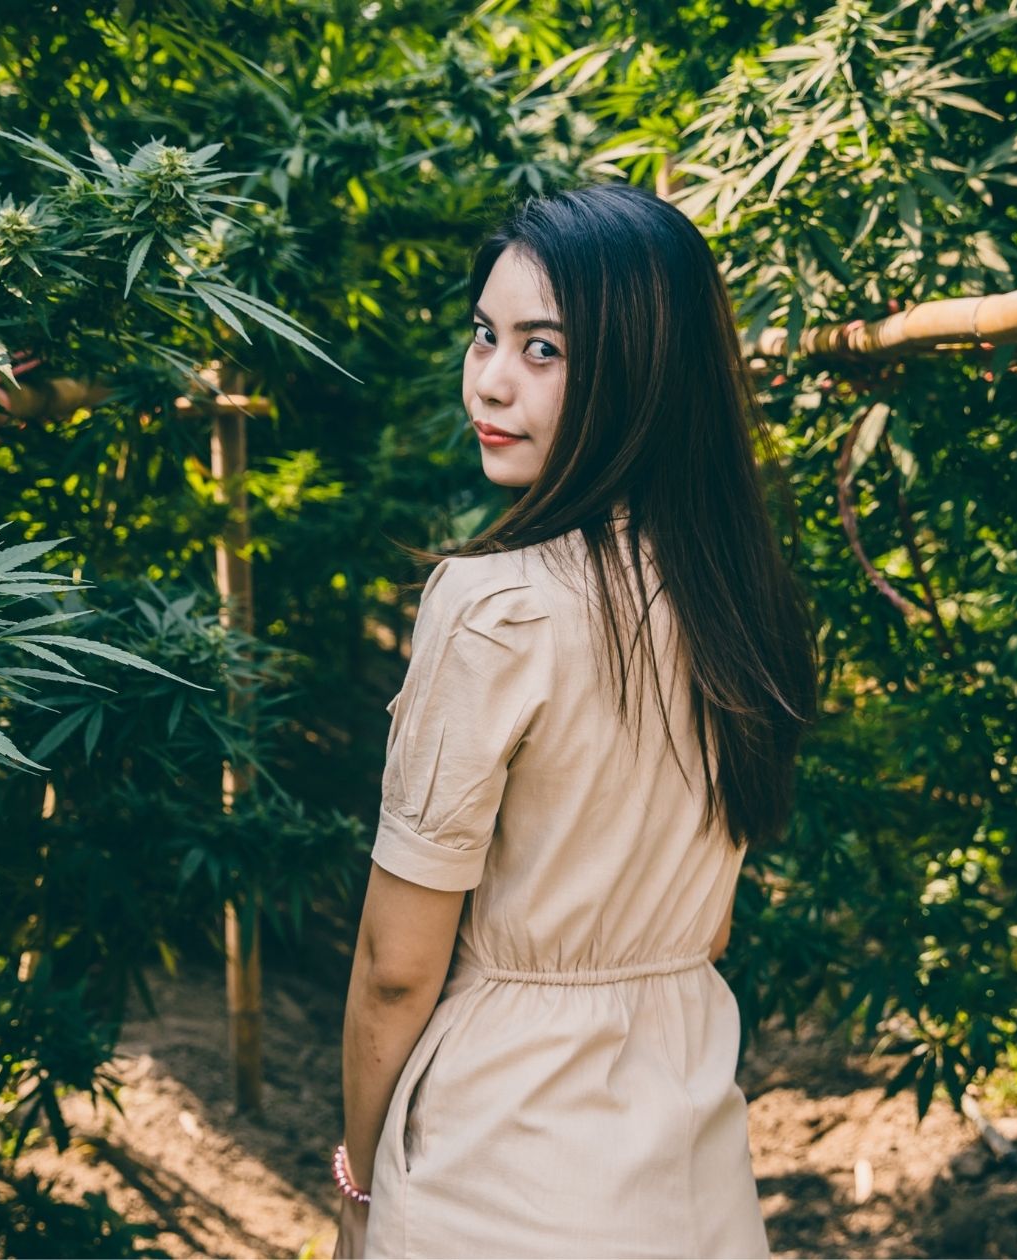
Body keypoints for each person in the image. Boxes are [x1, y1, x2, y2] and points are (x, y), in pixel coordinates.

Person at [332, 180, 817, 1259]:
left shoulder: (494, 606)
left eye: (543, 350)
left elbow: (396, 965)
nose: (491, 380)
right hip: (688, 1157)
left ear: (640, 374)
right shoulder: (738, 594)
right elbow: (713, 923)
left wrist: (357, 1184)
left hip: (498, 1163)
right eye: (483, 336)